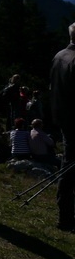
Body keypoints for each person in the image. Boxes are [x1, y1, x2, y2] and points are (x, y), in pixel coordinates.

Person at [50, 23, 75, 231]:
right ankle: (67, 218)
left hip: (64, 119)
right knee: (69, 168)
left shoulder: (59, 56)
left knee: (68, 166)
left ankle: (65, 216)